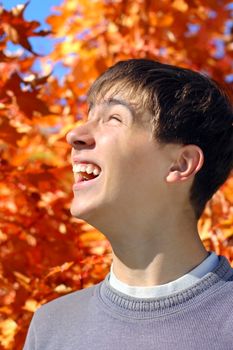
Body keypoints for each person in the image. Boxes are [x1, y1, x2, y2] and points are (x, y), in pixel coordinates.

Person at [24, 59, 233, 350]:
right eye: (89, 116)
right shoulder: (52, 327)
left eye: (114, 118)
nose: (74, 135)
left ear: (181, 164)